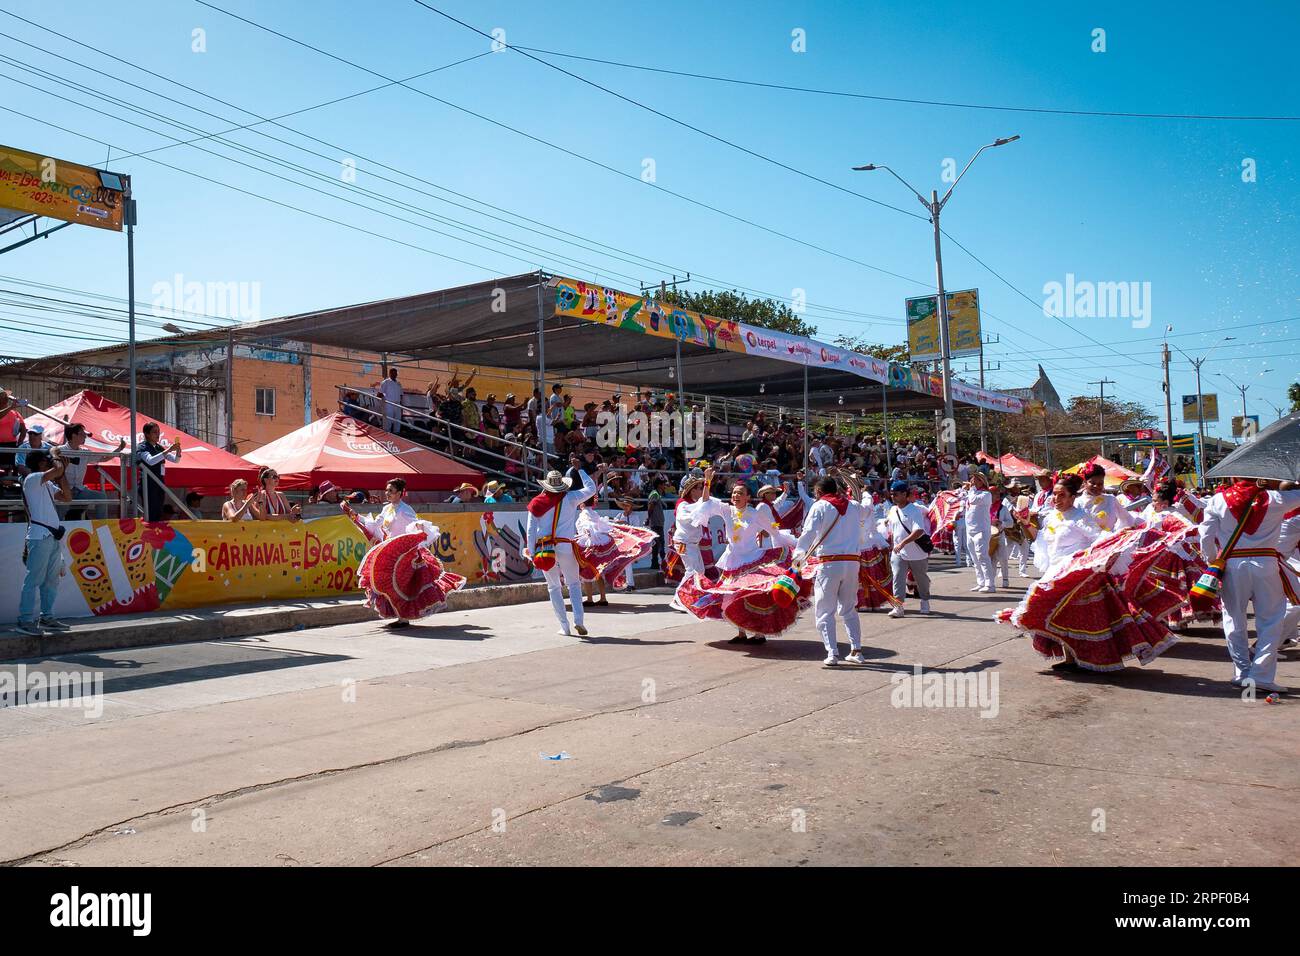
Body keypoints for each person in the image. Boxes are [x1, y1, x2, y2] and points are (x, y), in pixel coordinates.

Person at [1198, 476, 1300, 692]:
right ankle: (1261, 674)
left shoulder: (1217, 500)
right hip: (1267, 564)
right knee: (1271, 621)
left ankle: (1242, 672)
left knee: (1234, 618)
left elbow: (1206, 537)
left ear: (1234, 476)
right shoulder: (1276, 498)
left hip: (1232, 564)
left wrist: (1212, 562)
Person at [678, 478, 805, 644]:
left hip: (753, 560)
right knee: (733, 597)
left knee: (755, 596)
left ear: (748, 498)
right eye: (734, 492)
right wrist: (708, 481)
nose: (736, 495)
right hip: (732, 561)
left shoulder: (755, 514)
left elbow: (775, 532)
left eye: (740, 493)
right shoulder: (726, 510)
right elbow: (707, 502)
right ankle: (741, 633)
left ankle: (759, 634)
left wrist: (795, 548)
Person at [345, 478, 464, 627]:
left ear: (400, 493)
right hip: (391, 552)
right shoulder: (387, 508)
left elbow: (414, 523)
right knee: (388, 583)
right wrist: (356, 516)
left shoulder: (405, 509)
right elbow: (375, 524)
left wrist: (419, 526)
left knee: (402, 586)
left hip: (404, 554)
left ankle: (403, 618)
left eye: (391, 491)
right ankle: (400, 616)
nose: (387, 493)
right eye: (387, 490)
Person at [794, 474, 869, 667]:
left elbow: (807, 535)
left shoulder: (819, 506)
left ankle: (832, 653)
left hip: (829, 563)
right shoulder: (852, 506)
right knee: (849, 608)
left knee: (825, 610)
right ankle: (856, 650)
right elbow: (868, 510)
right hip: (852, 563)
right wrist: (864, 490)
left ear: (818, 492)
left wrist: (796, 565)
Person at [524, 466, 600, 637]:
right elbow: (591, 489)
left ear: (545, 486)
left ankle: (564, 626)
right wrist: (580, 470)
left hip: (546, 549)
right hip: (566, 546)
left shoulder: (536, 503)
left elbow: (530, 530)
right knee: (573, 584)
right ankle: (578, 621)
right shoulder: (571, 497)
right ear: (562, 485)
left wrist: (531, 551)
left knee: (553, 587)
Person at [16, 449, 72, 637]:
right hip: (39, 537)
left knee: (51, 581)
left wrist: (62, 471)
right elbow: (55, 470)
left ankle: (46, 616)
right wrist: (56, 457)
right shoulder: (32, 479)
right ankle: (25, 619)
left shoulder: (46, 484)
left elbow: (67, 497)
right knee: (33, 580)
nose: (50, 462)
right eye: (47, 460)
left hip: (51, 537)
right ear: (40, 463)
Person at [667, 470, 719, 612]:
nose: (701, 490)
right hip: (684, 542)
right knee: (692, 571)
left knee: (699, 571)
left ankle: (690, 598)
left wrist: (708, 482)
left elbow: (705, 502)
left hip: (691, 543)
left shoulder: (693, 503)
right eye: (699, 488)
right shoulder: (683, 504)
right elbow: (690, 514)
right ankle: (678, 599)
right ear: (691, 490)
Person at [55, 422, 125, 519]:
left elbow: (104, 458)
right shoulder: (58, 451)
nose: (85, 437)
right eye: (82, 434)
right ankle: (57, 530)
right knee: (60, 513)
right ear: (73, 435)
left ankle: (101, 528)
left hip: (80, 490)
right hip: (63, 490)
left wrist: (119, 449)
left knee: (102, 497)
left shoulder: (85, 452)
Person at [885, 480, 932, 617]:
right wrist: (892, 543)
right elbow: (893, 529)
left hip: (916, 552)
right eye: (891, 494)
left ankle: (924, 600)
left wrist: (903, 543)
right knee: (897, 578)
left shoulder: (914, 510)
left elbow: (919, 531)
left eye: (896, 494)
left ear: (905, 494)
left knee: (921, 579)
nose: (892, 497)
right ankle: (898, 607)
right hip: (898, 552)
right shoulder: (893, 510)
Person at [135, 422, 181, 522]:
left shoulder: (158, 447)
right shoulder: (142, 446)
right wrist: (168, 450)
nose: (158, 434)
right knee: (151, 513)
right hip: (148, 484)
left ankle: (155, 533)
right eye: (154, 432)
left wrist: (178, 451)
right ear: (147, 434)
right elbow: (150, 461)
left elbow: (176, 460)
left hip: (159, 483)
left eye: (158, 432)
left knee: (158, 512)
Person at [1076, 463, 1139, 534]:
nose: (1096, 486)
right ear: (1085, 482)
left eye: (1100, 484)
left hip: (1109, 541)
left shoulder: (1111, 499)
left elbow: (1127, 518)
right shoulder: (1077, 503)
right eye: (1092, 483)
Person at [962, 472, 996, 593]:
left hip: (981, 530)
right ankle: (980, 582)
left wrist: (971, 489)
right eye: (971, 479)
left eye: (975, 480)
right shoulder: (972, 493)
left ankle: (990, 584)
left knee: (982, 556)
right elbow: (963, 502)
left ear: (981, 481)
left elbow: (973, 499)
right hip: (970, 530)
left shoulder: (986, 494)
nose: (972, 482)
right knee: (974, 558)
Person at [378, 367, 404, 433]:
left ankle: (397, 434)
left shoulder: (399, 383)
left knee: (397, 421)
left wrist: (401, 405)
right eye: (393, 373)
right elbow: (379, 394)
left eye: (395, 373)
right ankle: (386, 434)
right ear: (389, 374)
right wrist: (385, 400)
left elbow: (401, 395)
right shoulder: (385, 382)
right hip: (389, 404)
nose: (394, 374)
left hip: (397, 404)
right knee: (388, 421)